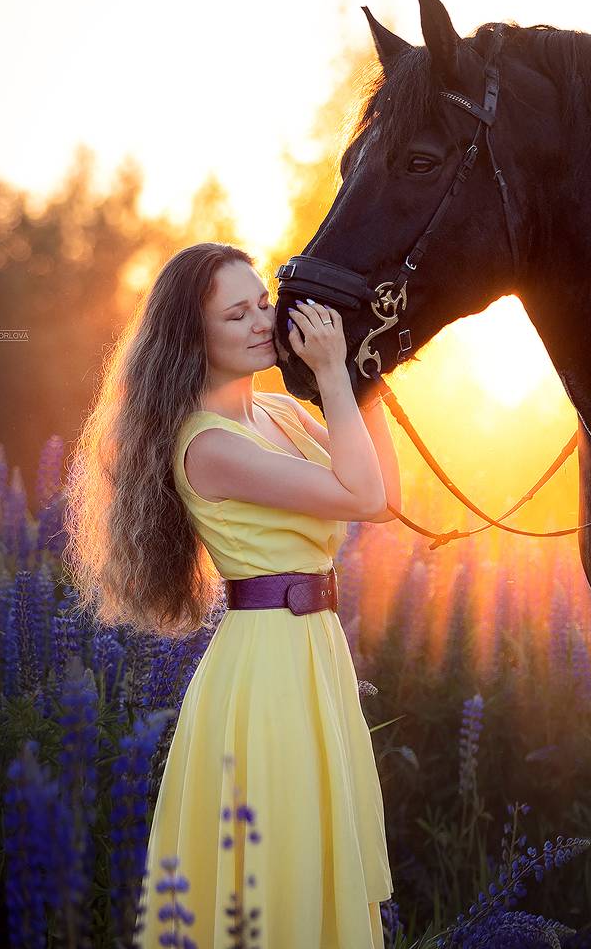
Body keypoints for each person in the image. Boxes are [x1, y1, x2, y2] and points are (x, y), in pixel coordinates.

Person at [62, 242, 400, 947]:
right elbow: (361, 494)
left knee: (319, 851)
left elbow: (389, 496)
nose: (259, 322)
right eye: (235, 313)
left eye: (263, 304)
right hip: (267, 671)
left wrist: (367, 376)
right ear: (195, 336)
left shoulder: (278, 413)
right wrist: (335, 377)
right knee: (279, 863)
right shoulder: (206, 445)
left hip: (316, 656)